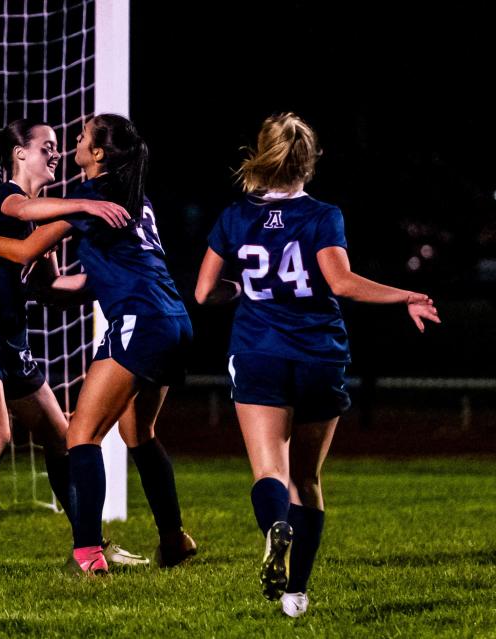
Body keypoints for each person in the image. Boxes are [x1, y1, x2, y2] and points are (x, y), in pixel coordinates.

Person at [194, 112, 440, 616]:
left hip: (259, 352)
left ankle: (273, 528)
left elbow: (202, 293)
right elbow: (343, 283)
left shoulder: (235, 216)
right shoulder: (323, 215)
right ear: (309, 162)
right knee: (306, 478)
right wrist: (407, 295)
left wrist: (240, 290)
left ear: (262, 154)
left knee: (270, 469)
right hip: (318, 356)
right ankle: (296, 593)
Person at [0, 114, 197, 575]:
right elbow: (38, 263)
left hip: (92, 326)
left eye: (71, 140)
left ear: (99, 154)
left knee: (75, 436)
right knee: (31, 435)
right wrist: (83, 214)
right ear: (19, 154)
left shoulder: (80, 203)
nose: (61, 149)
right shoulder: (21, 198)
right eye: (49, 145)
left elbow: (40, 272)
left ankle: (89, 546)